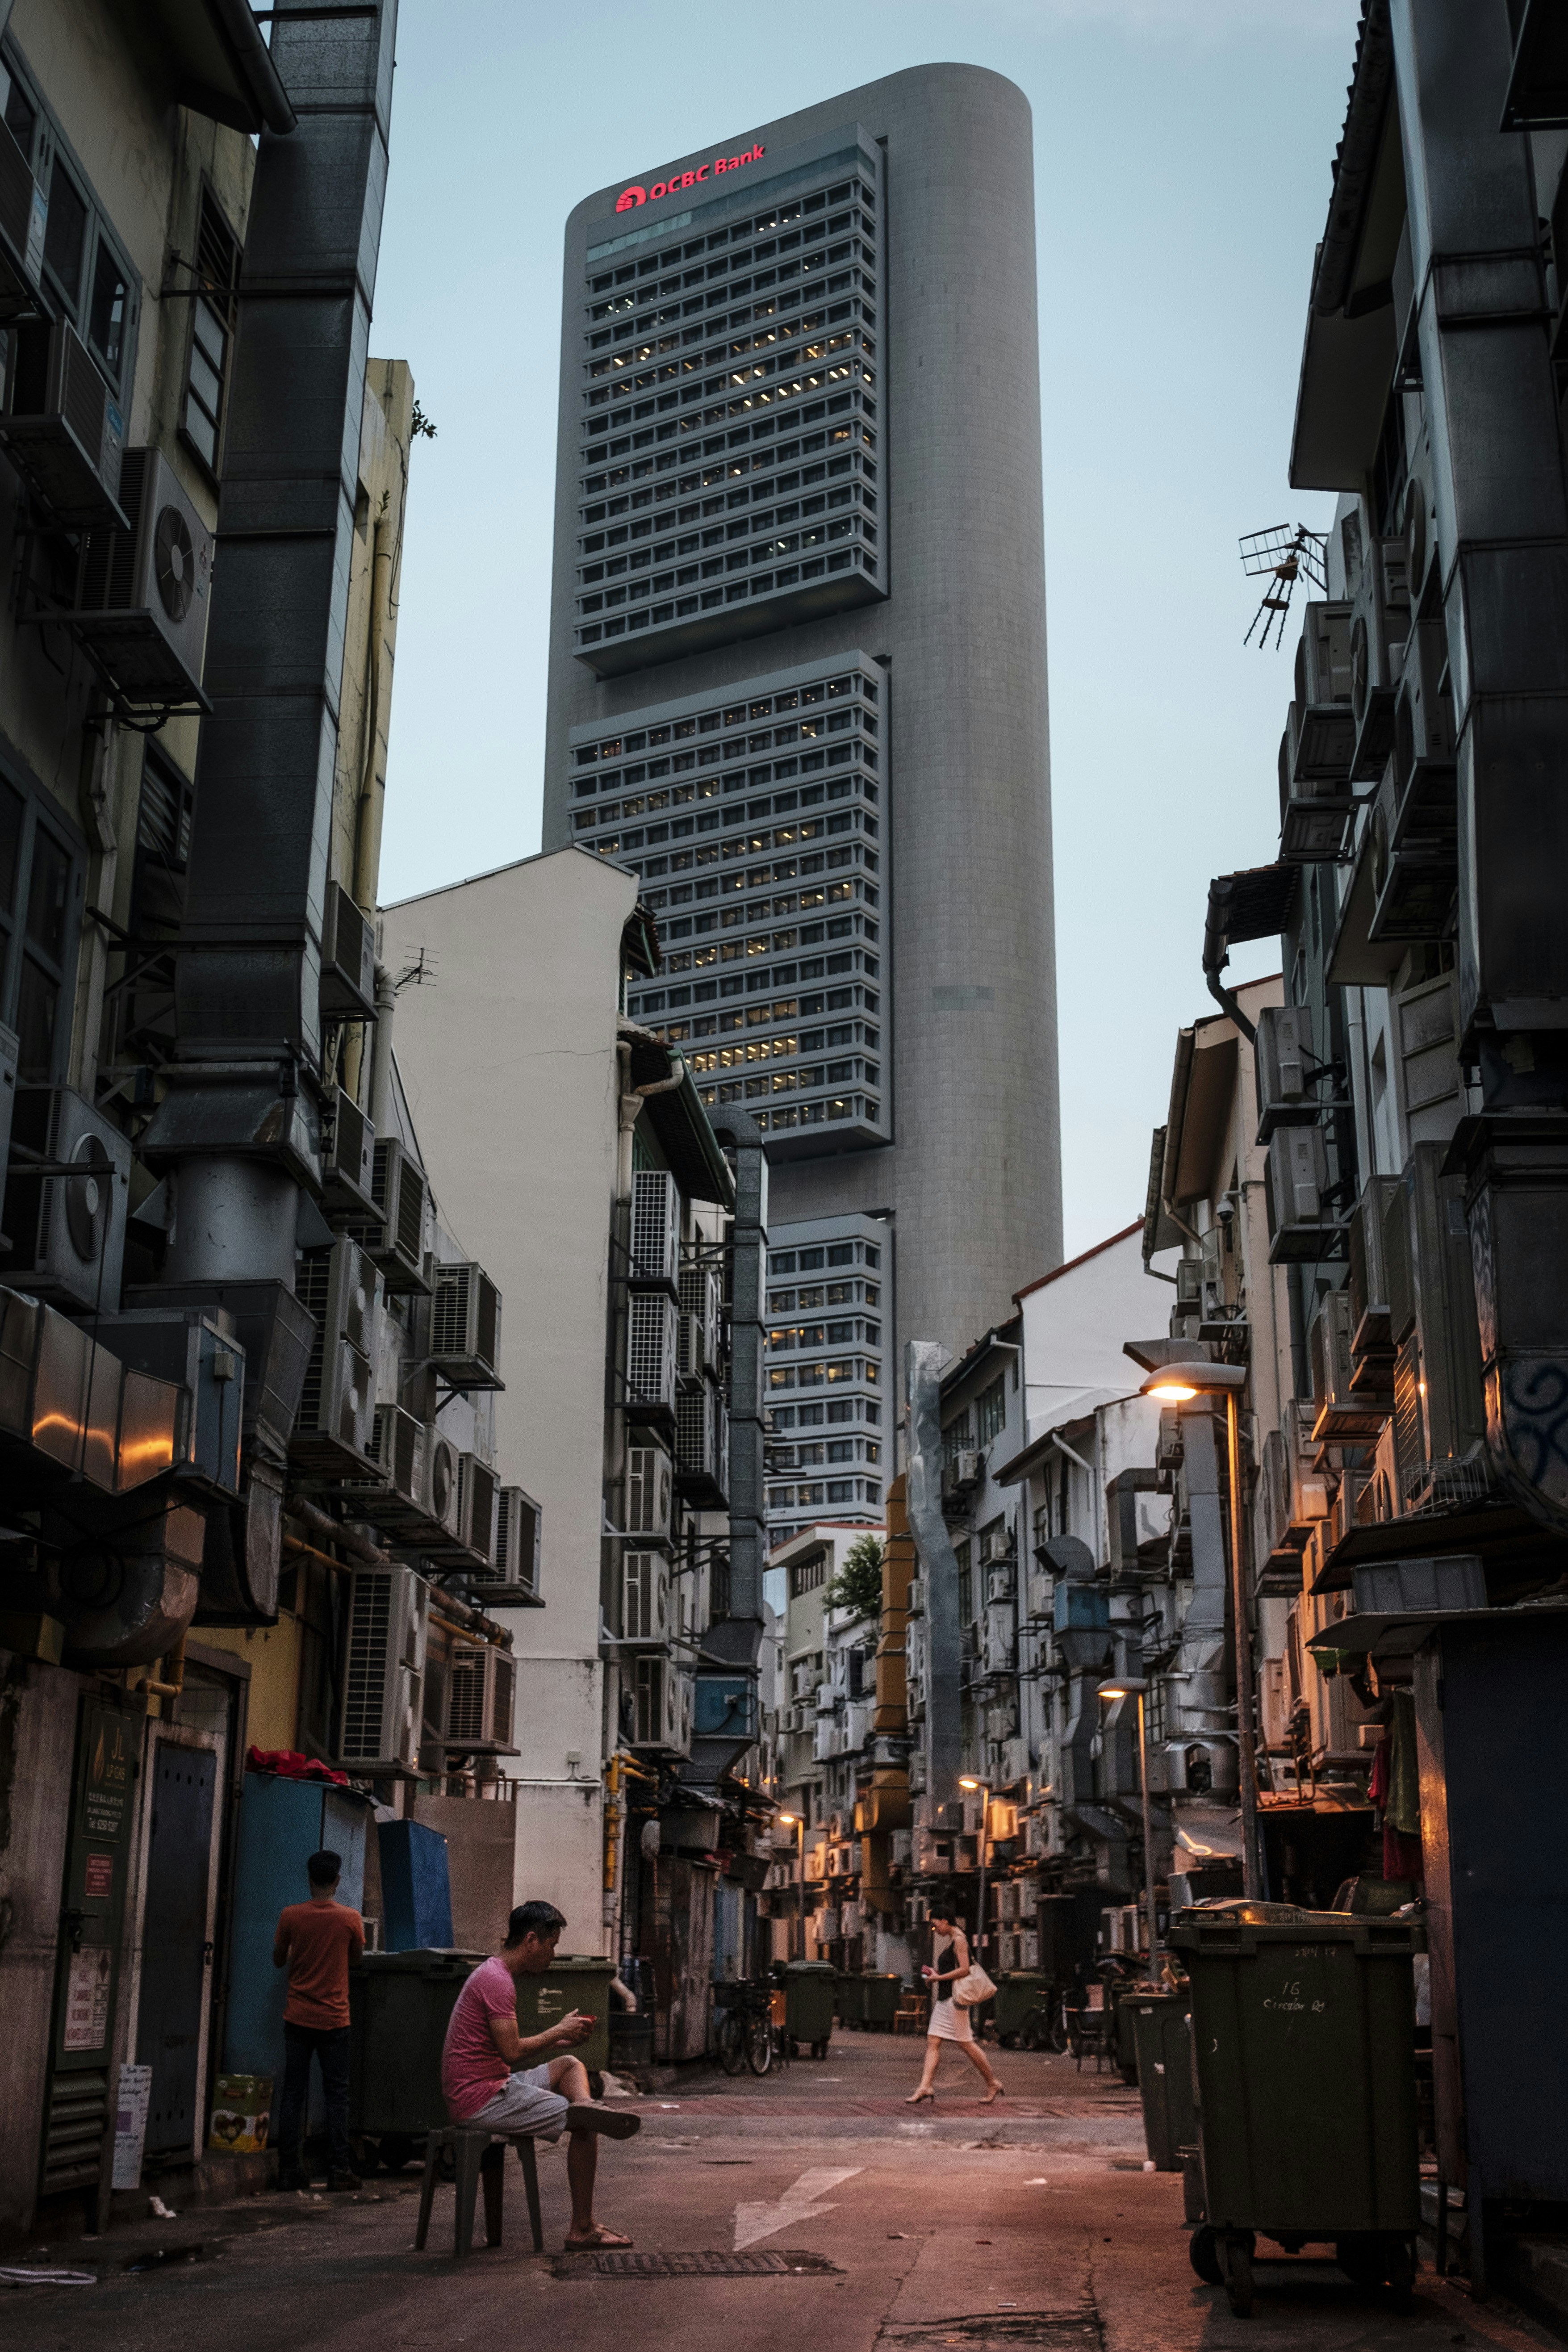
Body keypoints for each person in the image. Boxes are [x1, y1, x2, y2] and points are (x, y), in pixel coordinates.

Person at [441, 1899, 641, 2251]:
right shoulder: (496, 1981)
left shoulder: (494, 1974)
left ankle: (583, 2104)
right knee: (585, 2126)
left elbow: (508, 2051)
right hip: (480, 2098)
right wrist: (557, 2029)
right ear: (531, 1941)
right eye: (551, 1946)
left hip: (493, 2085)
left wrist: (559, 2040)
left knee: (569, 2063)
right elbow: (512, 2052)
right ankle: (582, 2228)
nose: (552, 1955)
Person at [272, 1848, 366, 2190]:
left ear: (310, 1880)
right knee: (337, 2095)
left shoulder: (290, 1916)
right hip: (335, 2020)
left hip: (297, 2019)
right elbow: (355, 1962)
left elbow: (278, 1960)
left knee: (293, 2094)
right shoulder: (350, 1919)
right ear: (338, 1881)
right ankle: (339, 2170)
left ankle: (289, 2171)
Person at [905, 1906, 1005, 2105]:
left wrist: (938, 1978)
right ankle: (925, 2086)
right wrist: (937, 1974)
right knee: (934, 2041)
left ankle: (993, 2082)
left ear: (945, 1921)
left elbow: (965, 1969)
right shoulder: (954, 1939)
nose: (936, 1930)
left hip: (954, 2001)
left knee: (966, 2044)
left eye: (936, 1925)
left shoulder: (959, 1939)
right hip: (946, 2000)